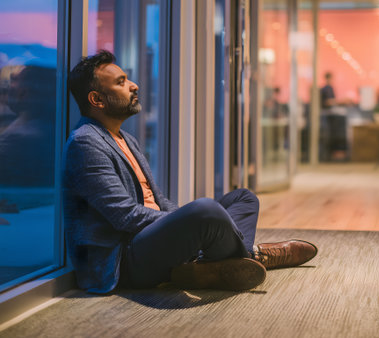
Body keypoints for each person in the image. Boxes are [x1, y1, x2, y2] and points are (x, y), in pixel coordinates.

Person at [63, 51, 317, 294]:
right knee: (205, 210)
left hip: (148, 241)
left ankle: (208, 266)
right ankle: (251, 255)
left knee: (243, 198)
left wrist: (184, 223)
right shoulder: (85, 143)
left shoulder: (126, 139)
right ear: (97, 99)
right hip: (124, 259)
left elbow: (157, 200)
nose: (134, 85)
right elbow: (124, 216)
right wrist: (188, 221)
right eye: (121, 82)